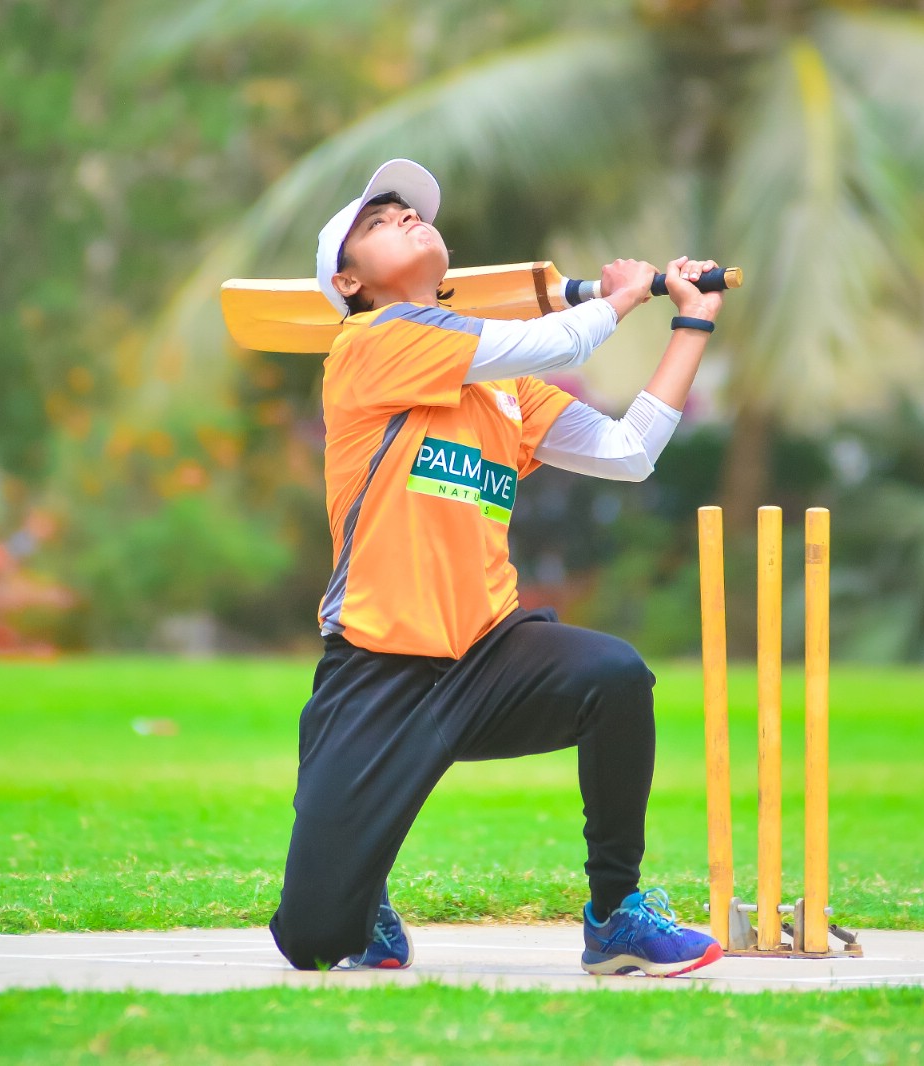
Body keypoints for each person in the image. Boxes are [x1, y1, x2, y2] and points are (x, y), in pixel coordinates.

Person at [269, 158, 723, 977]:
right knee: (313, 939)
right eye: (379, 221)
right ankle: (361, 901)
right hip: (379, 665)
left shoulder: (502, 386)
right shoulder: (369, 345)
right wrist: (622, 297)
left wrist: (691, 325)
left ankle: (615, 915)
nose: (407, 218)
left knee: (616, 676)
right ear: (348, 281)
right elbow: (555, 339)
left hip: (490, 658)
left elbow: (628, 452)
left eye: (411, 212)